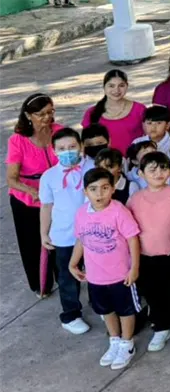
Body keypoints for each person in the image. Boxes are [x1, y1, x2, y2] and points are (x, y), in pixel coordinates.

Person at [70, 167, 142, 370]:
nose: (99, 193)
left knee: (125, 310)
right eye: (93, 189)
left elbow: (132, 239)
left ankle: (127, 344)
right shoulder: (81, 213)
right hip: (95, 276)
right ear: (85, 192)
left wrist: (134, 268)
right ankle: (115, 340)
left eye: (104, 188)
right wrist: (73, 262)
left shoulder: (119, 211)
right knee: (106, 309)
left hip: (121, 275)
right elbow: (81, 240)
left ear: (112, 189)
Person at [127, 152, 170, 354]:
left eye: (163, 168)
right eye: (152, 169)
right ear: (141, 173)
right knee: (153, 293)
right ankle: (161, 326)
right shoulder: (135, 199)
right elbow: (129, 230)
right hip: (146, 256)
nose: (158, 173)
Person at [7, 93, 60, 297]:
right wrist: (31, 191)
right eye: (41, 114)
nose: (47, 118)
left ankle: (62, 275)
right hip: (28, 199)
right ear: (28, 115)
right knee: (32, 243)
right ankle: (40, 284)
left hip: (56, 196)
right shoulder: (18, 140)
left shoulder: (59, 132)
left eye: (50, 112)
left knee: (58, 239)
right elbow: (11, 178)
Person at [40, 128, 90, 334]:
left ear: (81, 147)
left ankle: (104, 308)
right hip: (63, 236)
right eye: (61, 148)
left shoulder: (91, 170)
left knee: (97, 271)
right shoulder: (49, 177)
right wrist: (44, 233)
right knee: (67, 276)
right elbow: (46, 206)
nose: (67, 151)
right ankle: (70, 314)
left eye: (72, 147)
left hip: (91, 233)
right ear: (53, 151)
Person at [82, 70, 147, 156]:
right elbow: (85, 143)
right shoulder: (92, 112)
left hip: (134, 161)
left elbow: (149, 136)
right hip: (104, 162)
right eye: (111, 86)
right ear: (104, 87)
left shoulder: (139, 109)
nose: (116, 90)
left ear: (127, 86)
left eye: (121, 85)